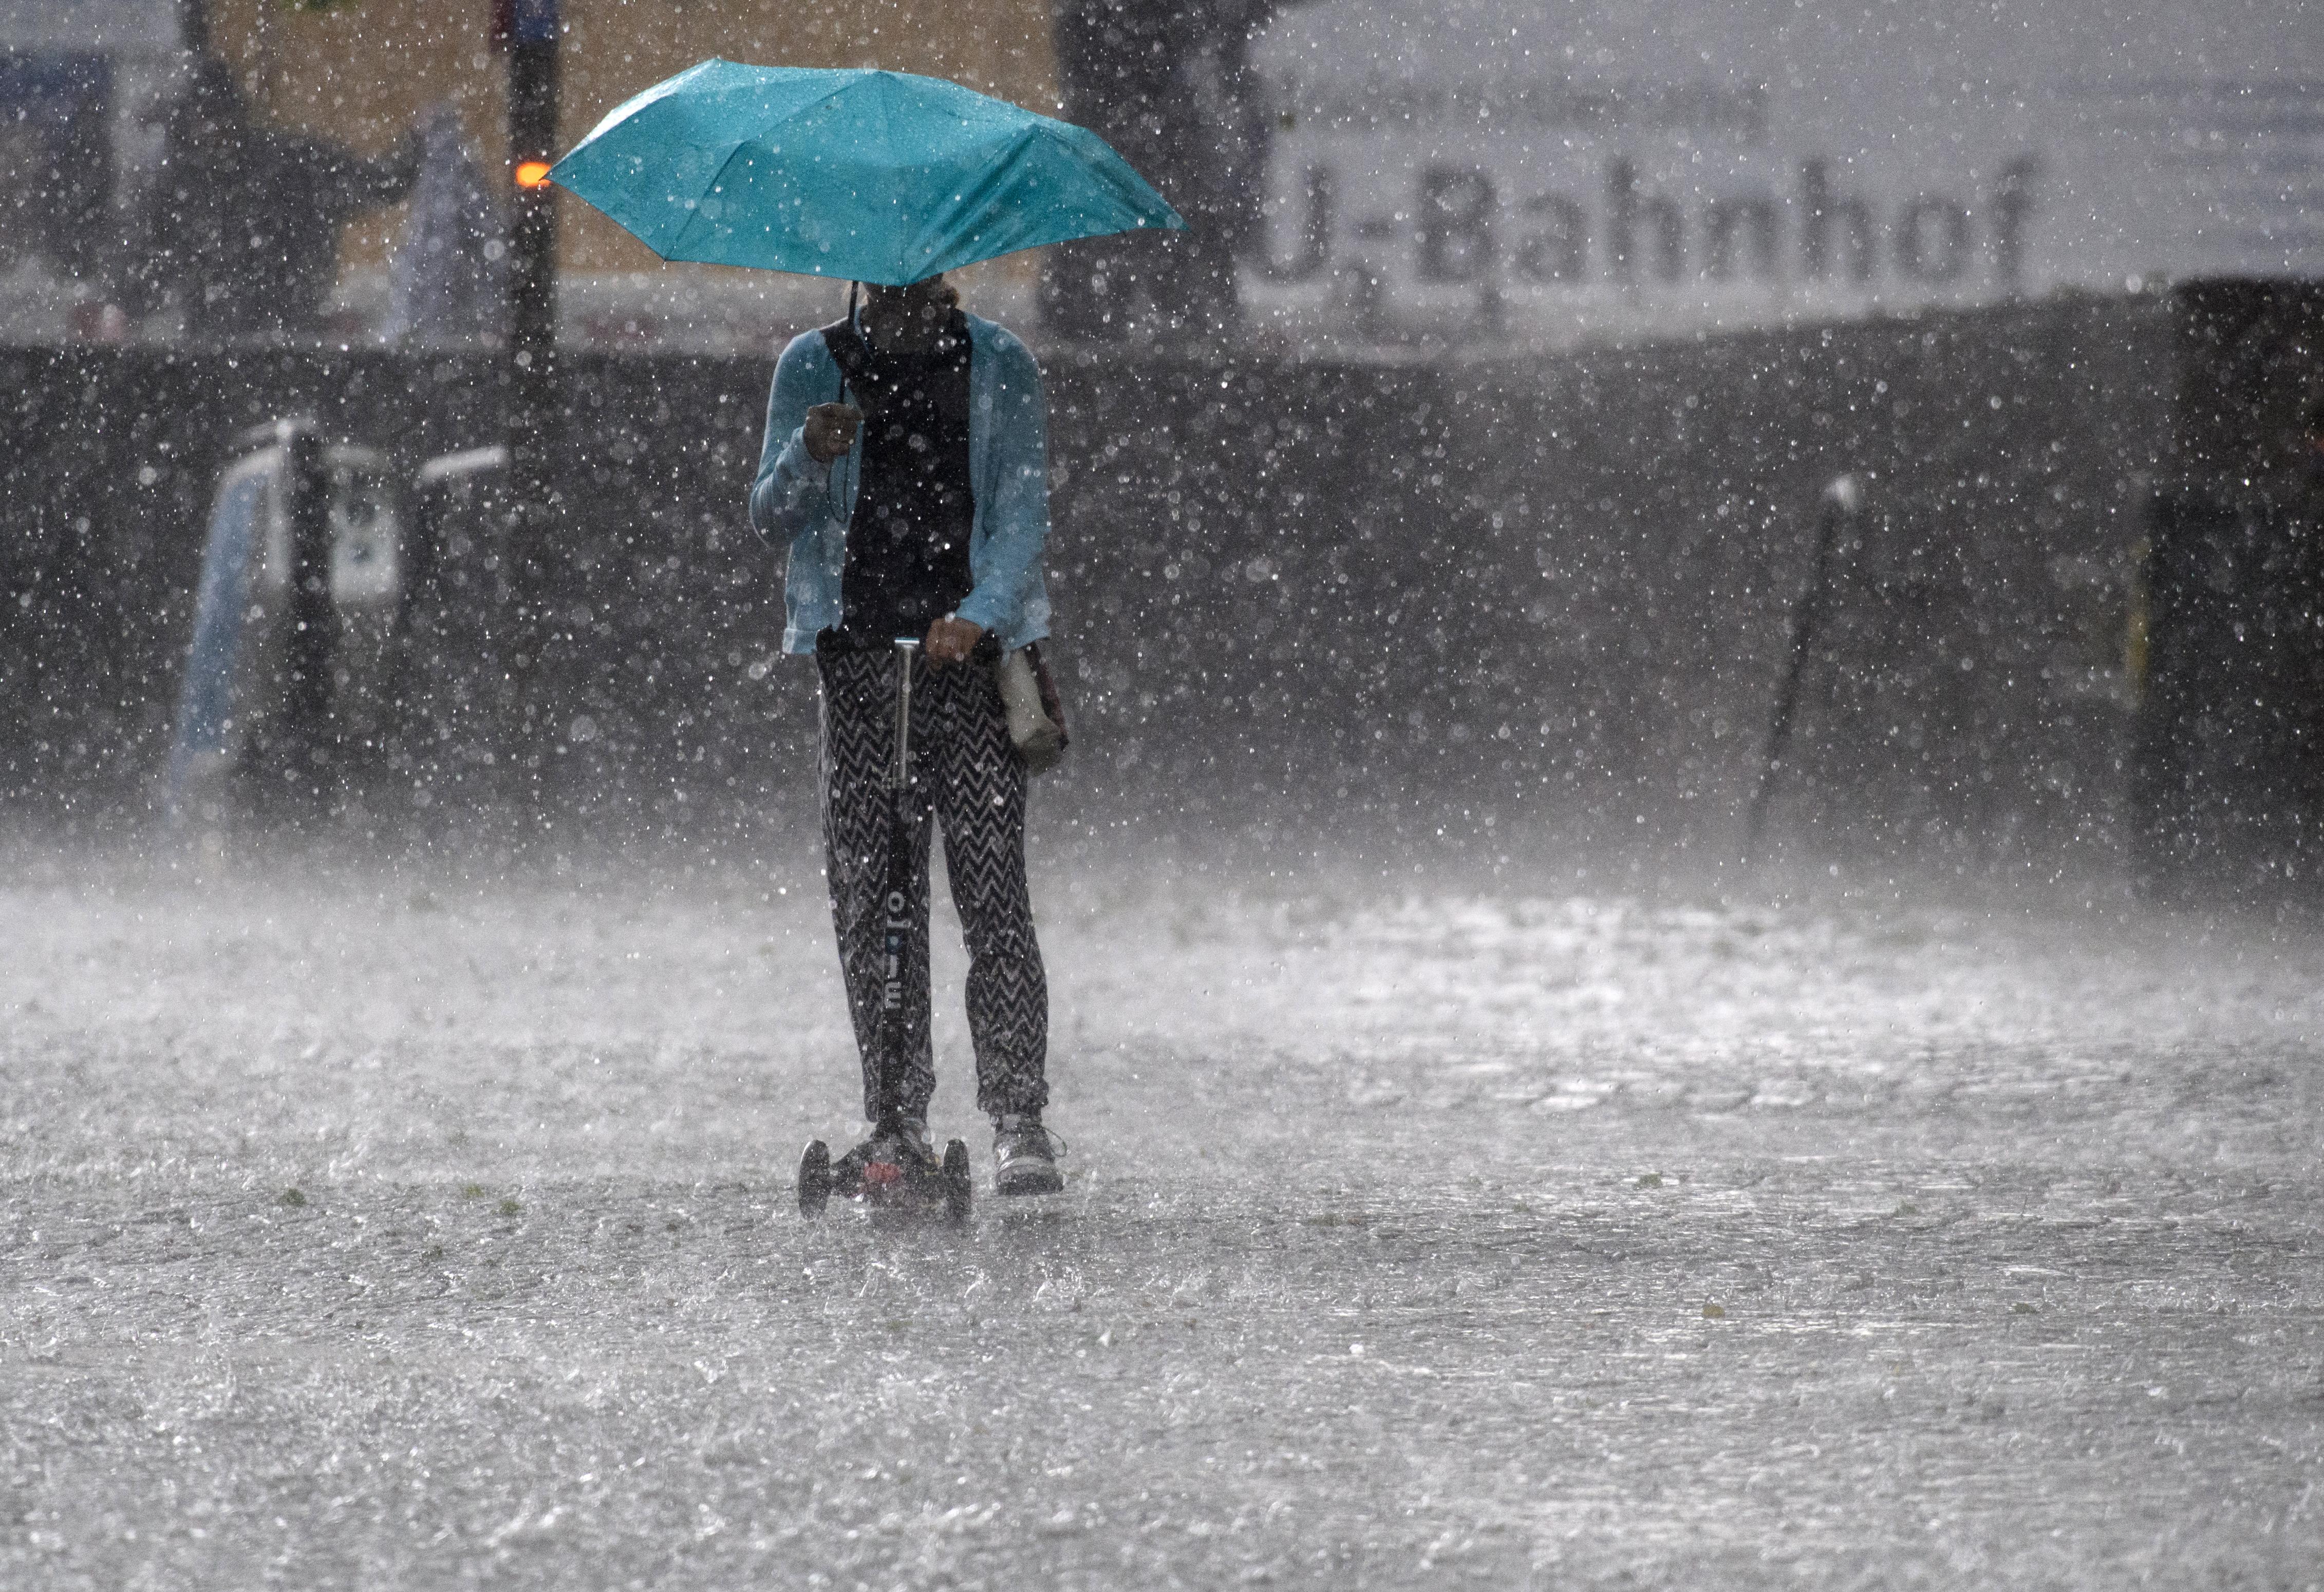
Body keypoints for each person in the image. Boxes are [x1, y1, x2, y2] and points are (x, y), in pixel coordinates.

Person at [748, 275, 1063, 1197]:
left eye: (921, 276)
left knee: (990, 891)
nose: (902, 294)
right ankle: (894, 1114)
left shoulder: (1000, 365)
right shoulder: (814, 366)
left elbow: (1019, 515)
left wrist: (978, 614)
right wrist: (808, 451)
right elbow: (769, 515)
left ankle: (1017, 1116)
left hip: (965, 669)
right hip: (855, 667)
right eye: (886, 278)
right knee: (871, 900)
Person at [122, 58, 421, 341]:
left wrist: (417, 146)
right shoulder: (175, 190)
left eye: (222, 117)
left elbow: (383, 185)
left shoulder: (292, 166)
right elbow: (140, 279)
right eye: (205, 119)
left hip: (274, 341)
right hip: (235, 347)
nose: (216, 130)